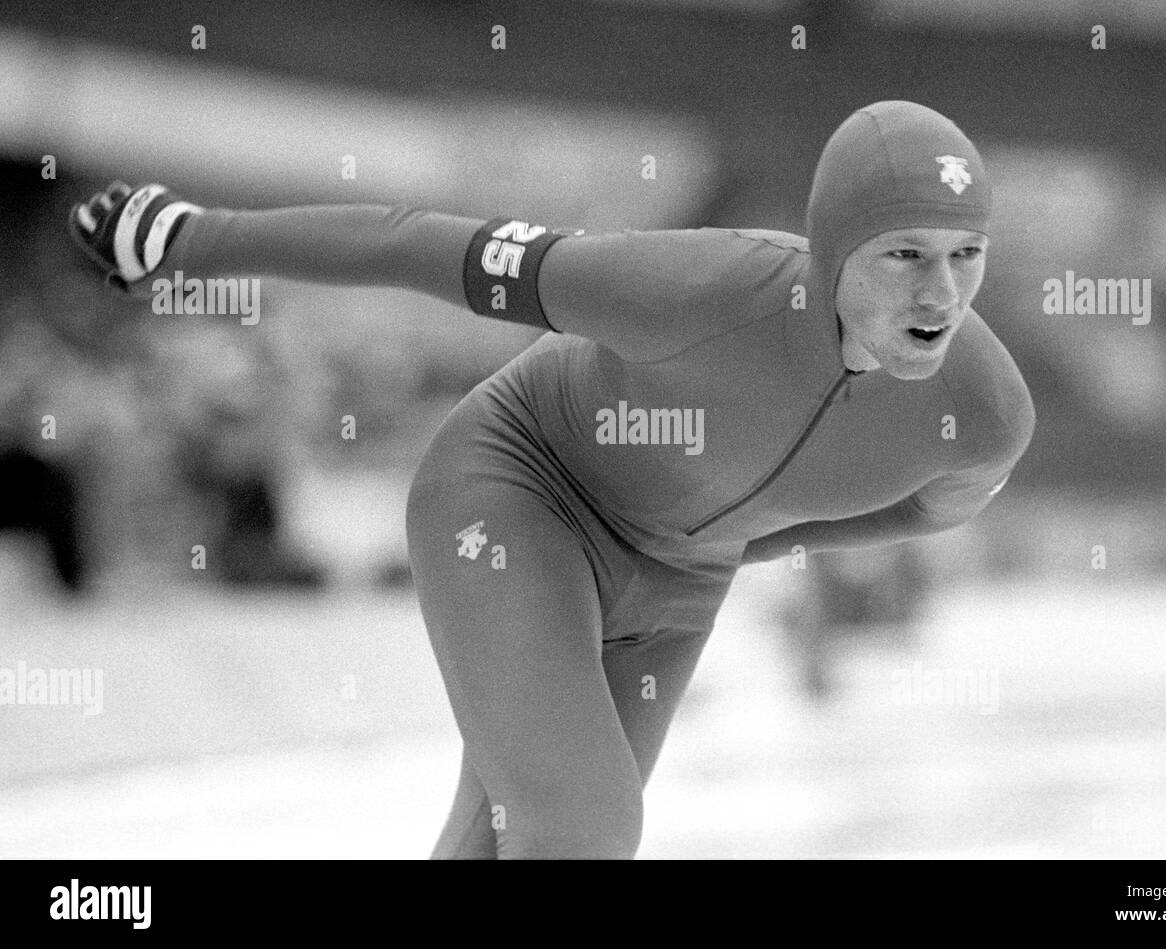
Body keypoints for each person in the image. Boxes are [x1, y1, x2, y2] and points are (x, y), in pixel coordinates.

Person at [70, 101, 1035, 859]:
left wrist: (748, 545)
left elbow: (914, 514)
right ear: (831, 251)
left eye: (967, 256)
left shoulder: (985, 413)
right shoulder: (699, 290)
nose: (939, 296)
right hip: (521, 490)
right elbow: (419, 244)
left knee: (510, 844)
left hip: (679, 583)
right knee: (585, 829)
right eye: (905, 253)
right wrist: (188, 239)